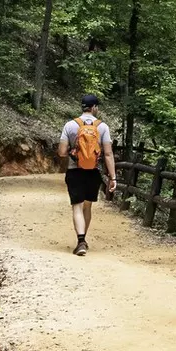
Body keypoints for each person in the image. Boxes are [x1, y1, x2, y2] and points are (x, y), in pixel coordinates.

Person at [58, 93, 116, 255]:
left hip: (74, 171)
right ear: (95, 107)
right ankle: (83, 240)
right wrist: (113, 177)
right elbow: (108, 154)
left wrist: (74, 152)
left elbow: (62, 152)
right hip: (93, 172)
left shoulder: (70, 125)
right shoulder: (102, 127)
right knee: (87, 206)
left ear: (82, 107)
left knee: (77, 206)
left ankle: (81, 241)